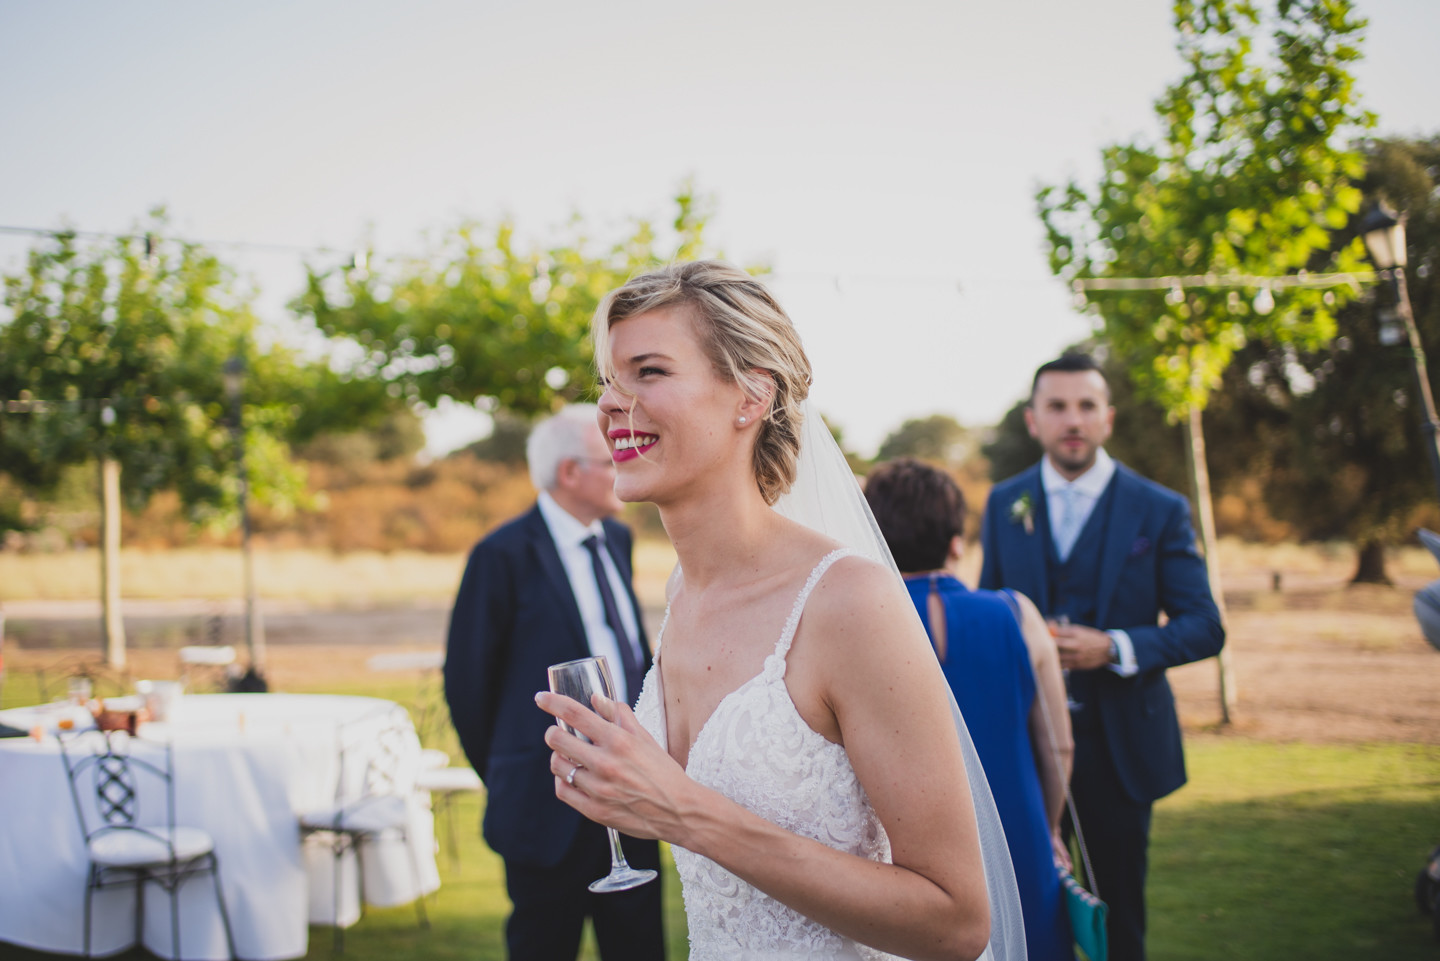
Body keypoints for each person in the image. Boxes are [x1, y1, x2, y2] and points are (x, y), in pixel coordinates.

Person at [536, 261, 1026, 961]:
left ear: (749, 396)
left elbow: (954, 922)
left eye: (648, 372)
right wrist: (626, 783)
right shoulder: (682, 595)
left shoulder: (845, 602)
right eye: (610, 380)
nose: (613, 404)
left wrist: (682, 810)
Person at [979, 353, 1225, 961]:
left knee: (1121, 921)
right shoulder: (1005, 502)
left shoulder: (1159, 509)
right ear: (1033, 420)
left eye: (1086, 406)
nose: (1073, 420)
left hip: (1123, 752)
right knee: (1024, 910)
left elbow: (1204, 627)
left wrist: (1115, 647)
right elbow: (990, 610)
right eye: (1057, 406)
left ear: (1107, 419)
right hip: (1025, 747)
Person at [443, 404, 664, 961]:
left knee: (639, 945)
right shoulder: (500, 555)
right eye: (608, 457)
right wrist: (509, 775)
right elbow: (468, 687)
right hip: (544, 803)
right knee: (544, 944)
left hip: (633, 788)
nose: (623, 464)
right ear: (569, 472)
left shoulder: (617, 539)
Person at [865, 458, 1075, 961]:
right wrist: (1048, 828)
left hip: (908, 853)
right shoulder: (1017, 613)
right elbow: (1059, 743)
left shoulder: (860, 623)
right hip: (1018, 828)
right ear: (957, 541)